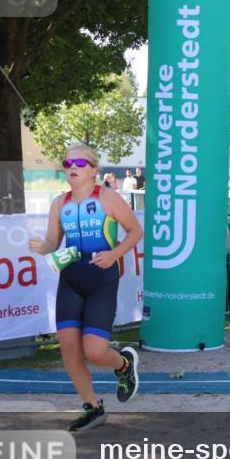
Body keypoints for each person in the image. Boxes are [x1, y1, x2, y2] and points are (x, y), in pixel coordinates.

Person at [27, 144, 142, 431]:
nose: (72, 168)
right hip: (71, 279)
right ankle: (92, 407)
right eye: (67, 164)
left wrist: (115, 254)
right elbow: (53, 242)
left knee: (95, 352)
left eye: (79, 163)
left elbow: (136, 231)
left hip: (102, 279)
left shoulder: (107, 197)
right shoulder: (59, 203)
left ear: (93, 170)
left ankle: (124, 365)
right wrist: (43, 246)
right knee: (68, 349)